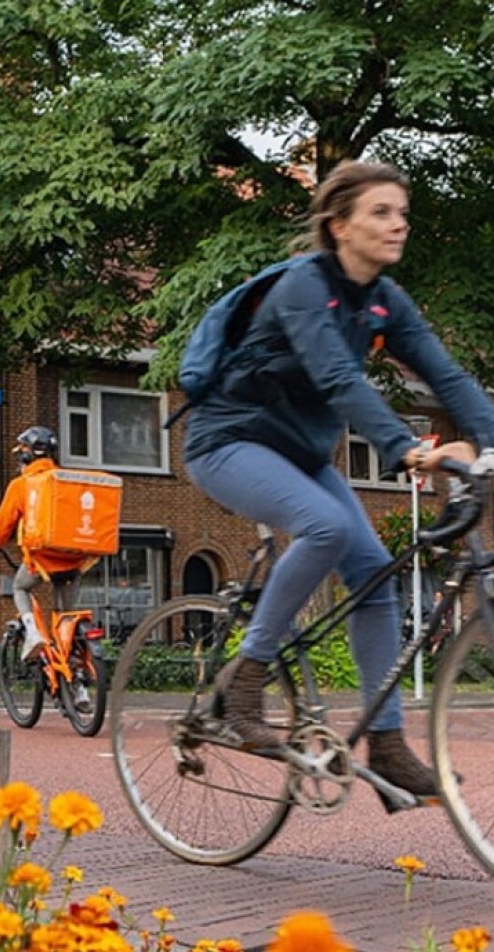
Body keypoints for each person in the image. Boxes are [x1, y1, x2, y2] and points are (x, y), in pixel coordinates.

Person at [182, 159, 494, 801]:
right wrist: (402, 448)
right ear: (339, 225)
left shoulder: (384, 299)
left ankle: (386, 745)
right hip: (227, 441)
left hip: (299, 454)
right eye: (381, 212)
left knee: (374, 574)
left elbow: (449, 377)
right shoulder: (304, 285)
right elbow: (337, 379)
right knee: (322, 527)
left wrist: (489, 441)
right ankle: (242, 684)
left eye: (403, 212)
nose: (398, 224)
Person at [0, 427, 91, 692]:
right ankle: (80, 687)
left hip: (41, 559)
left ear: (27, 457)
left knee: (20, 587)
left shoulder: (21, 485)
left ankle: (32, 633)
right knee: (65, 618)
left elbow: (2, 526)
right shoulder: (67, 481)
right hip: (74, 560)